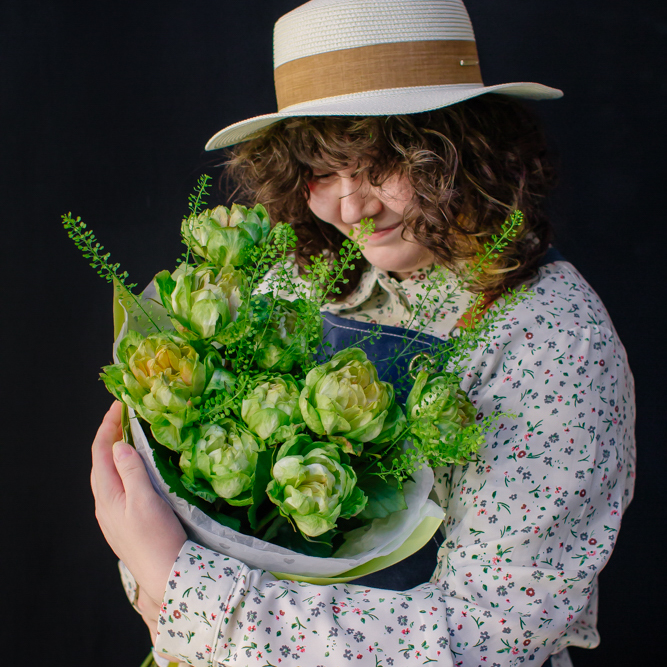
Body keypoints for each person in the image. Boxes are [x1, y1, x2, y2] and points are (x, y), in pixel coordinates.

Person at [90, 2, 636, 666]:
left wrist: (185, 592)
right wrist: (154, 580)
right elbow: (170, 510)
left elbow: (493, 635)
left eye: (380, 166)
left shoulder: (552, 340)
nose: (352, 207)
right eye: (322, 172)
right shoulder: (291, 281)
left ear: (464, 150)